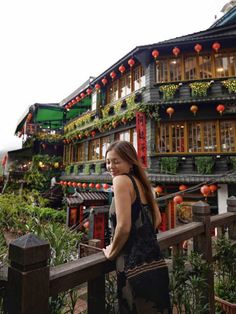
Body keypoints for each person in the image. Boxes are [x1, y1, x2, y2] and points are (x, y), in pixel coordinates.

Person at [103, 140, 171, 314]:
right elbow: (156, 220)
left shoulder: (120, 181)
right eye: (108, 161)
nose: (111, 166)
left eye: (116, 161)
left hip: (131, 266)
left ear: (130, 161)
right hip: (154, 264)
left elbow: (124, 227)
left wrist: (111, 251)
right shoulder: (142, 183)